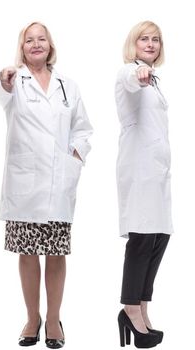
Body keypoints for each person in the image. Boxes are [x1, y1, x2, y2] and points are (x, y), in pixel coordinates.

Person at [0, 22, 93, 349]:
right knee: (27, 252)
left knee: (55, 252)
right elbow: (1, 88)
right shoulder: (15, 81)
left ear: (50, 45)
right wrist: (4, 78)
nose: (36, 44)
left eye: (41, 39)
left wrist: (74, 157)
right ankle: (32, 317)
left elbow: (83, 128)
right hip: (25, 184)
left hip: (58, 182)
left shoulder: (68, 85)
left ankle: (53, 320)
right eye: (29, 40)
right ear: (22, 48)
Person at [114, 20, 169, 349]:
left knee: (159, 238)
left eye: (156, 40)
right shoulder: (129, 72)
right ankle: (130, 306)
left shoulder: (156, 80)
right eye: (144, 39)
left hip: (157, 172)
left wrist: (148, 77)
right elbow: (131, 80)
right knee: (142, 238)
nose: (150, 44)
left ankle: (143, 307)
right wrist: (139, 75)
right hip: (139, 170)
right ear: (133, 45)